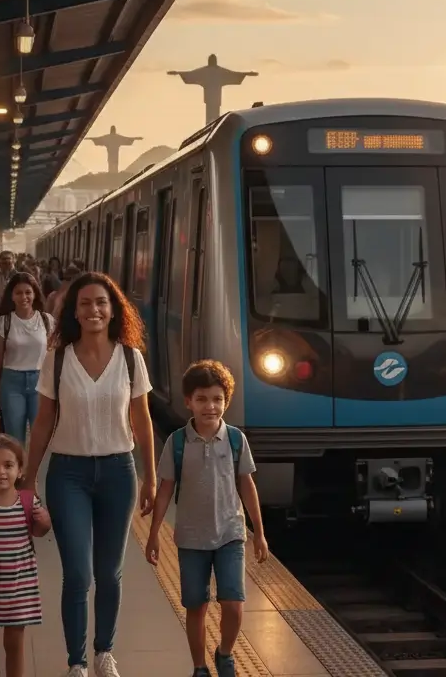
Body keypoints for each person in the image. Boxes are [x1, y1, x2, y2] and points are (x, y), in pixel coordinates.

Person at [25, 271, 157, 677]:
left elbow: (143, 421)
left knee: (109, 572)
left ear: (113, 309)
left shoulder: (131, 359)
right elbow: (44, 422)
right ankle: (77, 661)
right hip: (69, 475)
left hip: (119, 471)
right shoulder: (57, 359)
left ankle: (105, 653)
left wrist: (149, 477)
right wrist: (27, 480)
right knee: (78, 574)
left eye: (101, 302)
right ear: (74, 312)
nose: (94, 310)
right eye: (85, 303)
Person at [146, 361, 268, 677]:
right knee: (196, 607)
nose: (210, 406)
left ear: (225, 401)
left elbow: (246, 484)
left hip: (230, 533)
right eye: (201, 399)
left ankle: (224, 652)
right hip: (190, 538)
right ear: (188, 402)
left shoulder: (236, 440)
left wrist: (259, 532)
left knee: (234, 604)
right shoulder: (176, 443)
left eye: (216, 399)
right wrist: (153, 533)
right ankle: (200, 667)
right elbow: (165, 489)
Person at [0, 435, 52, 677]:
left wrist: (45, 523)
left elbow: (39, 529)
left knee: (14, 645)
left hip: (19, 586)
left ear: (20, 470)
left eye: (8, 465)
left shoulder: (28, 501)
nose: (0, 471)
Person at [0, 272, 55, 444]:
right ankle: (18, 470)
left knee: (39, 435)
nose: (24, 297)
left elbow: (53, 357)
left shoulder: (46, 321)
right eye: (18, 292)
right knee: (14, 437)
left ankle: (34, 471)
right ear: (11, 296)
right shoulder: (3, 322)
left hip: (40, 383)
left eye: (28, 292)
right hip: (11, 383)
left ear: (34, 294)